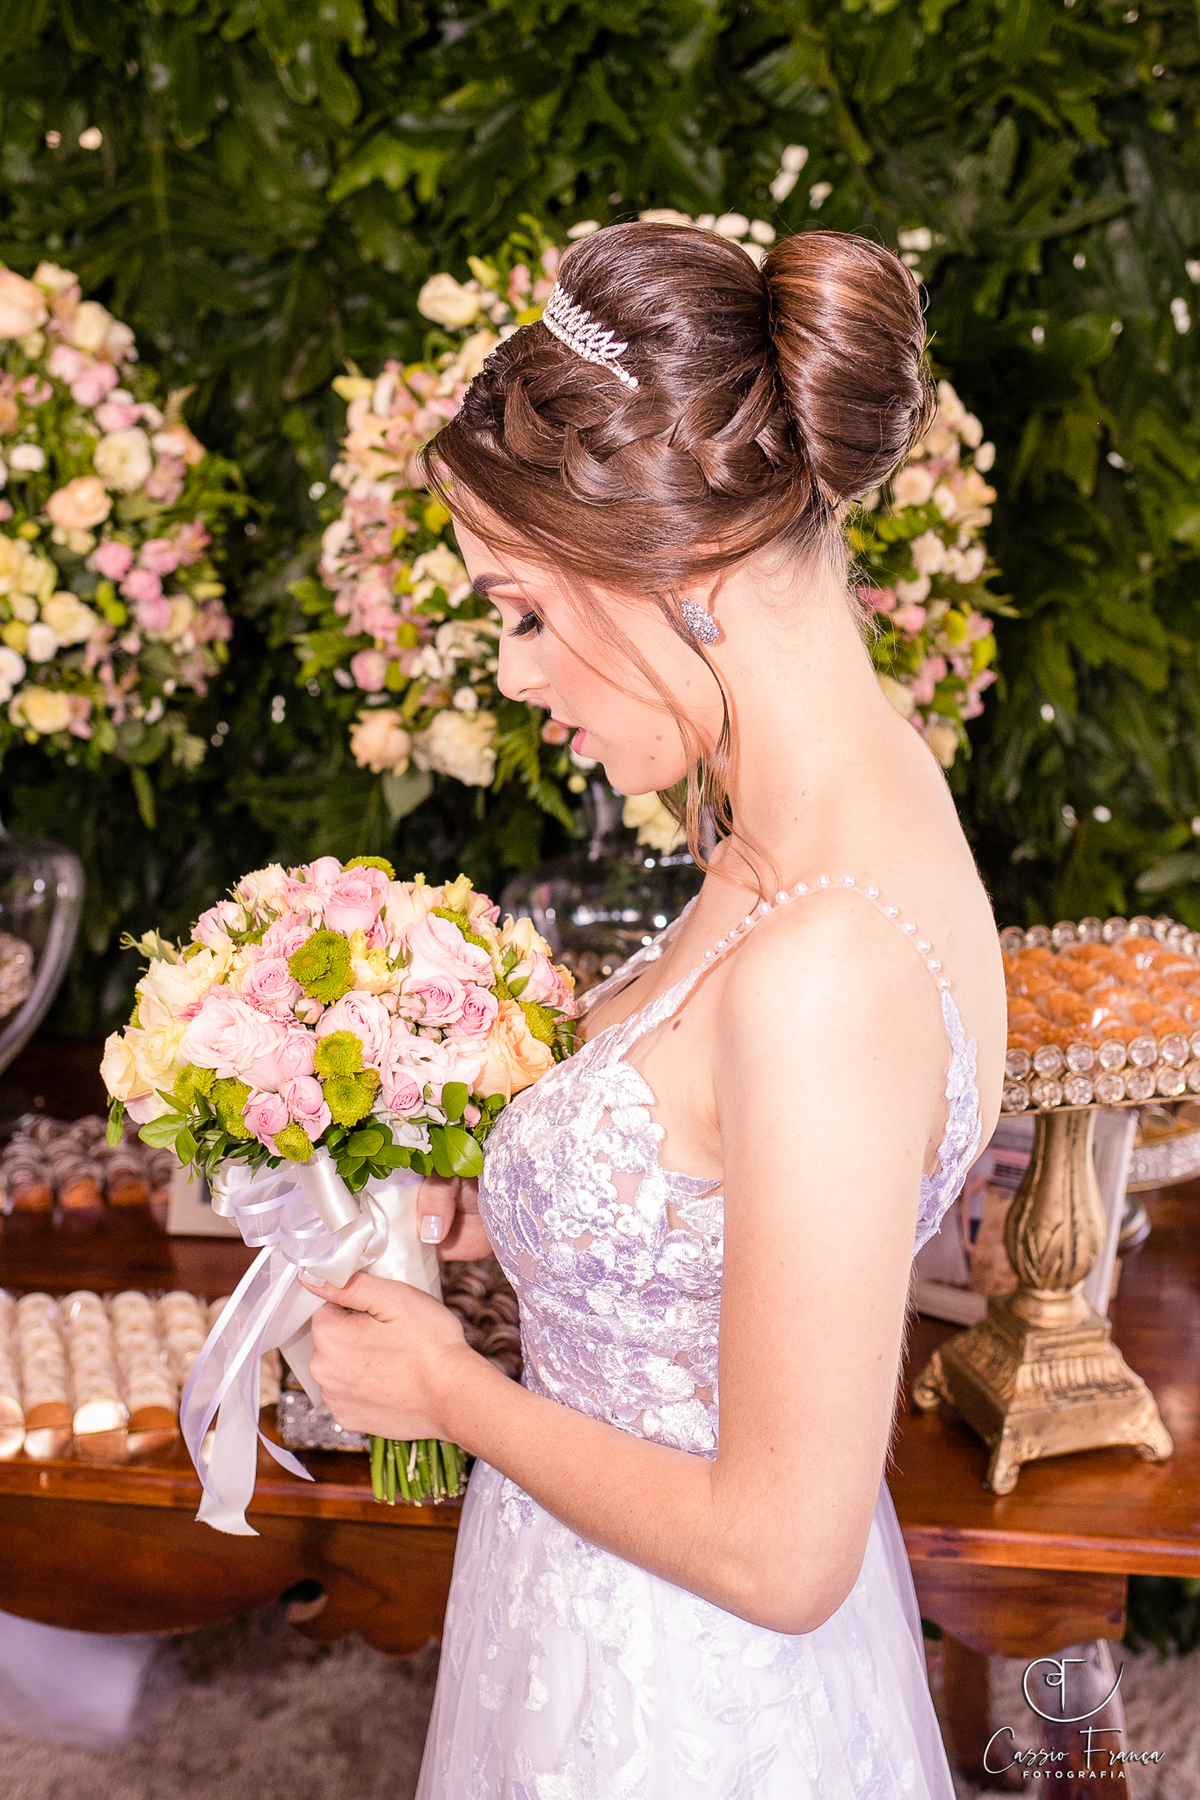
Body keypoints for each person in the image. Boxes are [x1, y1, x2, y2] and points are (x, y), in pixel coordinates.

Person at [302, 221, 1006, 1797]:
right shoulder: (803, 816)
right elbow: (716, 1181)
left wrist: (450, 1396)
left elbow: (779, 1552)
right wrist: (526, 1205)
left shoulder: (830, 959)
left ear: (680, 570)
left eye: (528, 611)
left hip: (695, 1706)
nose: (516, 673)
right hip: (590, 1629)